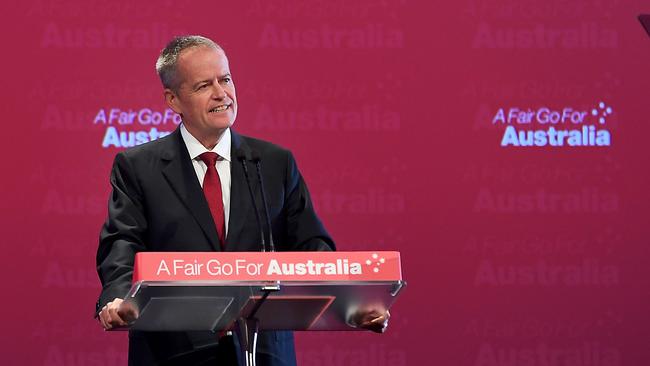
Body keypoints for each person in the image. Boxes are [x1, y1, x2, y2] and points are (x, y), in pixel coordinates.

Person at [96, 35, 387, 366]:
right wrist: (119, 298)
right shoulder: (138, 167)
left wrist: (350, 303)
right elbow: (122, 243)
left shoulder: (274, 162)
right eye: (204, 85)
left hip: (264, 351)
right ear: (173, 100)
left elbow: (313, 247)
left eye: (226, 79)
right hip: (174, 352)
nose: (221, 93)